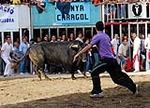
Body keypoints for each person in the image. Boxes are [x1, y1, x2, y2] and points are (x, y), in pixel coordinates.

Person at [73, 21, 138, 98]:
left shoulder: (97, 36)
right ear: (103, 28)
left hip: (106, 60)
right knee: (117, 78)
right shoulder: (106, 36)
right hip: (112, 60)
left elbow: (88, 46)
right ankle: (133, 87)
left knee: (94, 72)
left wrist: (77, 54)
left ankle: (98, 92)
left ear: (96, 28)